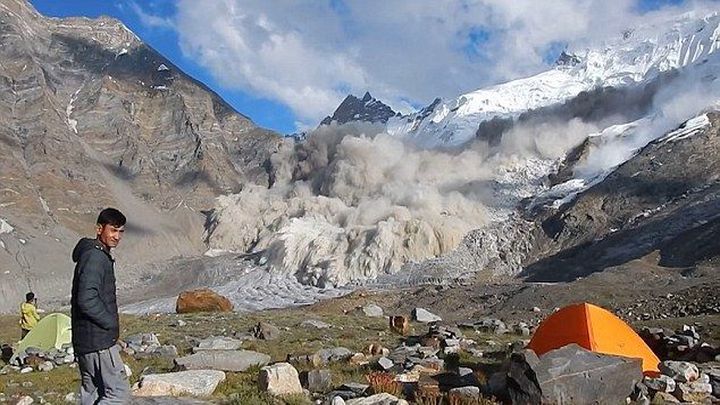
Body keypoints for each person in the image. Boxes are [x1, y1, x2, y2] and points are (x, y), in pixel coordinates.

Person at [71, 208, 129, 404]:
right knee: (118, 394)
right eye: (113, 230)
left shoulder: (91, 254)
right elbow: (87, 299)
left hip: (86, 342)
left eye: (121, 231)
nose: (117, 236)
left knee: (92, 393)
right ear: (99, 229)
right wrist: (110, 323)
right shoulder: (96, 257)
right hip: (98, 342)